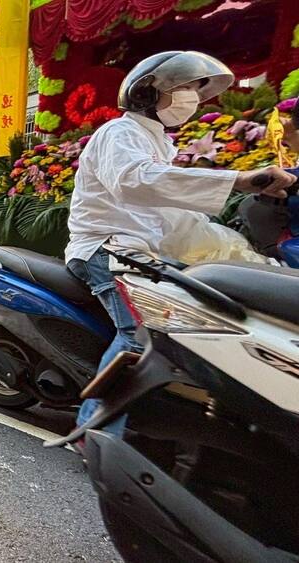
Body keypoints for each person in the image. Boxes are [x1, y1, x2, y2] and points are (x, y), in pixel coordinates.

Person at [65, 51, 295, 431]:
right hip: (105, 248)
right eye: (184, 87)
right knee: (142, 334)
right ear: (148, 92)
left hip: (141, 253)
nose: (191, 96)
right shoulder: (120, 133)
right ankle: (92, 434)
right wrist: (236, 179)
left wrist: (229, 241)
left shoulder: (159, 143)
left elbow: (172, 214)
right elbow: (135, 181)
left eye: (194, 90)